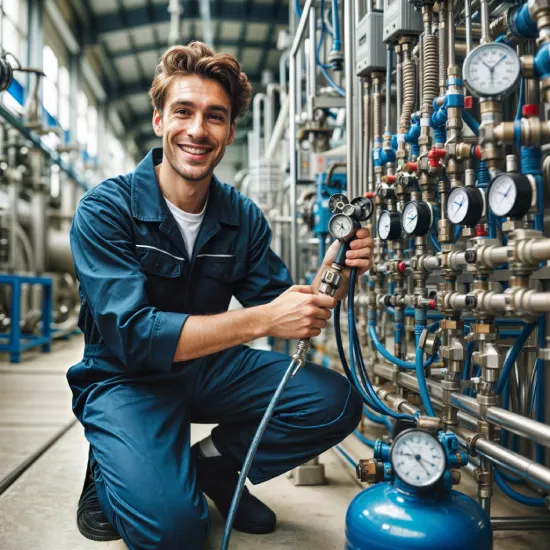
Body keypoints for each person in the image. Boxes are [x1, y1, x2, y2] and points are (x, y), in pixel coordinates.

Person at [68, 41, 373, 550]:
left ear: (230, 132)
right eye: (183, 112)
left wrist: (332, 272)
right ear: (160, 120)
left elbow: (285, 305)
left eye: (215, 117)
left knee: (335, 401)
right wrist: (261, 321)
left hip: (205, 367)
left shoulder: (241, 216)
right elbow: (134, 335)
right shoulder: (106, 209)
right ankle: (113, 459)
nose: (197, 130)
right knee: (177, 533)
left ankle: (209, 464)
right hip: (125, 377)